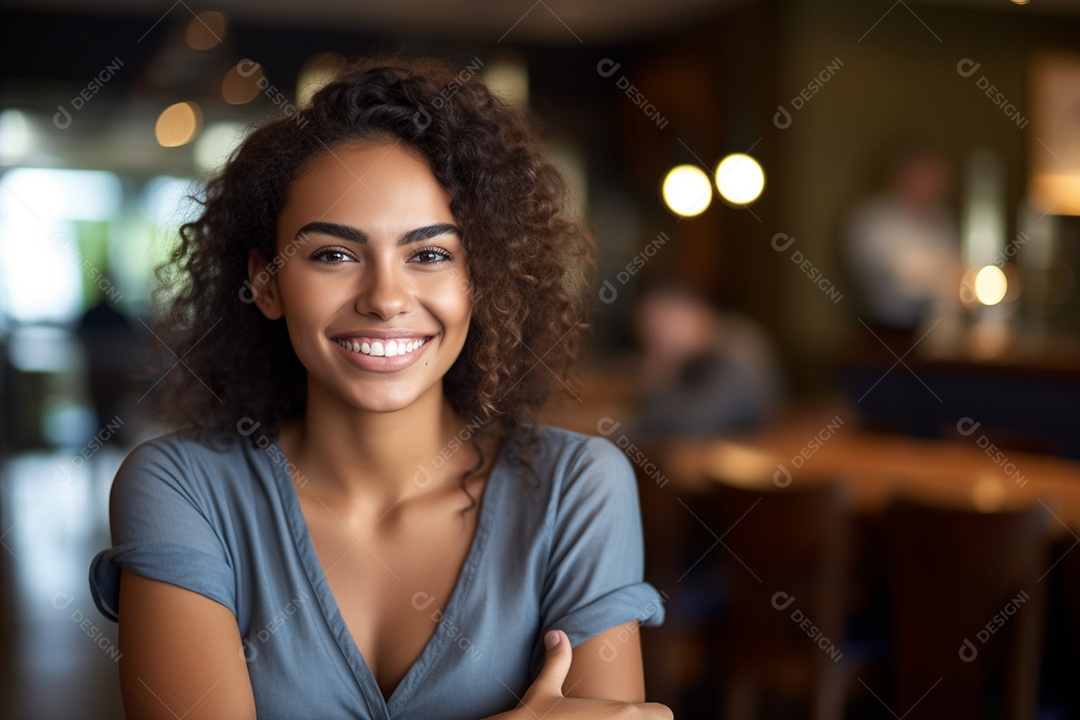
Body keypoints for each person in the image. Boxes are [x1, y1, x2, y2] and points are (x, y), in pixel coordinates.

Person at [88, 57, 670, 720]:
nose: (386, 299)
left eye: (429, 254)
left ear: (481, 282)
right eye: (334, 254)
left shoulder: (579, 487)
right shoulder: (180, 489)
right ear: (268, 282)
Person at [631, 283, 784, 437]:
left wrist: (659, 376)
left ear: (693, 313)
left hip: (753, 453)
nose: (657, 342)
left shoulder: (733, 351)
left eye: (660, 327)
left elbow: (692, 423)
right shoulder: (725, 336)